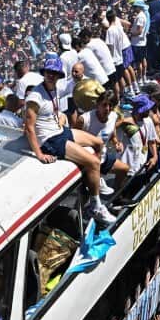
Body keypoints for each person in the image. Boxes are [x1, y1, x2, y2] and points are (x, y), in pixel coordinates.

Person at [22, 57, 116, 225]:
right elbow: (29, 127)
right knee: (94, 162)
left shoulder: (53, 88)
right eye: (48, 72)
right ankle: (95, 205)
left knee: (98, 143)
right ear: (44, 73)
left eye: (55, 73)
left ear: (58, 75)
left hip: (59, 131)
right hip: (50, 140)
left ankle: (96, 180)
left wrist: (61, 117)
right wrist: (40, 154)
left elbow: (55, 108)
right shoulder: (35, 96)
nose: (51, 75)